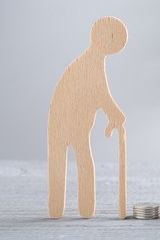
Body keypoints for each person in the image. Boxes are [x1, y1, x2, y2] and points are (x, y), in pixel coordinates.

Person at [48, 17, 127, 219]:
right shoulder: (90, 63)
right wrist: (115, 113)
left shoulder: (92, 62)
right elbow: (101, 95)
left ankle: (70, 209)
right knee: (79, 161)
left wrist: (113, 114)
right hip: (67, 122)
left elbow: (99, 95)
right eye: (112, 37)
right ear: (99, 37)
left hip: (73, 123)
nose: (115, 44)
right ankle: (69, 209)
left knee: (71, 161)